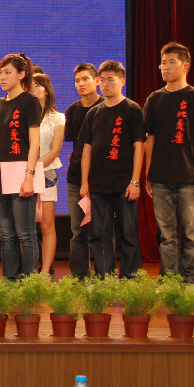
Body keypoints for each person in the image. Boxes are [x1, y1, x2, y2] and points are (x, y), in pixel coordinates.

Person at [142, 42, 194, 283]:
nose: (166, 67)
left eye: (172, 62)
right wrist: (148, 173)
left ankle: (192, 278)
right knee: (166, 234)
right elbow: (149, 139)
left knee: (191, 232)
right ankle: (170, 280)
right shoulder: (154, 99)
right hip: (160, 176)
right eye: (163, 63)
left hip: (190, 176)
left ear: (186, 66)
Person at [79, 60, 145, 279]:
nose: (105, 84)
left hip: (125, 185)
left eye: (111, 79)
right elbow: (87, 150)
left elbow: (139, 146)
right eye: (102, 80)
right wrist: (85, 183)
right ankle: (104, 280)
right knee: (99, 235)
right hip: (98, 185)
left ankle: (130, 280)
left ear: (122, 81)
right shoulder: (93, 114)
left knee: (129, 235)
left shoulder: (132, 109)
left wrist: (135, 181)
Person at [0, 54, 42, 281]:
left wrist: (29, 176)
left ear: (21, 74)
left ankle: (29, 284)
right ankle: (10, 282)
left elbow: (35, 142)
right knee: (6, 234)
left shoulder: (29, 101)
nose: (3, 77)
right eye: (0, 73)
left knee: (25, 234)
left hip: (22, 174)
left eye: (8, 72)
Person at [63, 64, 102, 279]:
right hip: (76, 179)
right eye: (77, 80)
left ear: (97, 81)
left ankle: (104, 279)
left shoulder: (106, 107)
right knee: (78, 232)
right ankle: (79, 278)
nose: (81, 84)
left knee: (101, 231)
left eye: (86, 79)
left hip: (103, 180)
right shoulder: (72, 111)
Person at [33, 73, 65, 277]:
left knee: (47, 225)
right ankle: (28, 271)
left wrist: (33, 168)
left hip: (46, 173)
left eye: (37, 85)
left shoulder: (57, 117)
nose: (33, 89)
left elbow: (55, 150)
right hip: (23, 174)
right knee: (25, 227)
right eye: (30, 86)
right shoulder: (24, 114)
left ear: (46, 90)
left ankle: (45, 271)